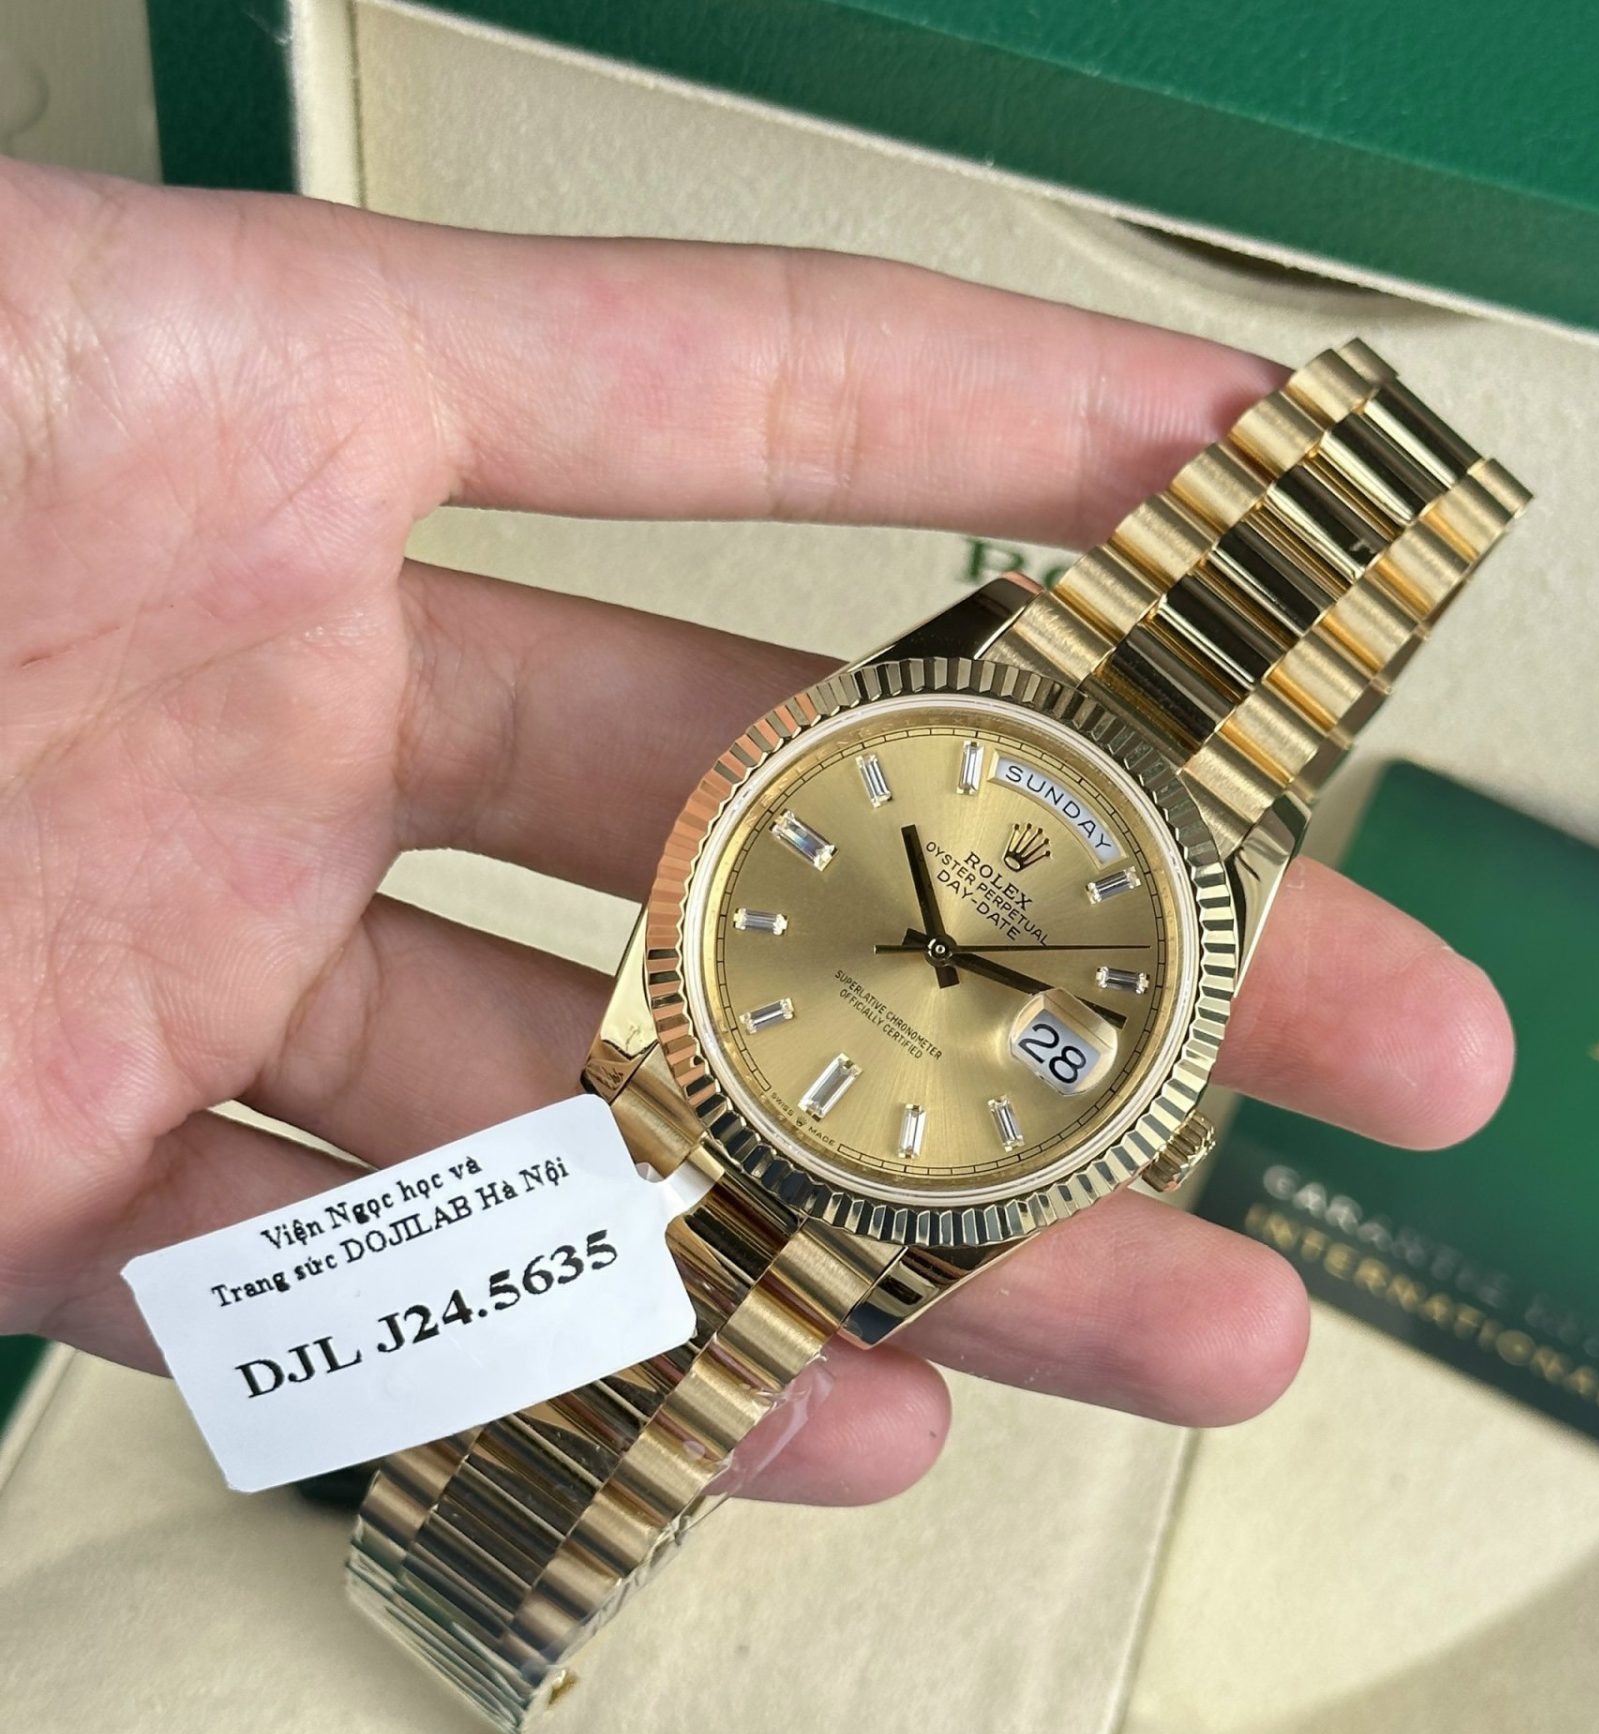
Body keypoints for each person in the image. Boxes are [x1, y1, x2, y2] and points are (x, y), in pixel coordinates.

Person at [0, 157, 1512, 1504]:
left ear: (1151, 1108)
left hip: (848, 1105)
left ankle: (474, 1581)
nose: (938, 949)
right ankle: (464, 1570)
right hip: (723, 1045)